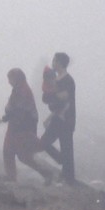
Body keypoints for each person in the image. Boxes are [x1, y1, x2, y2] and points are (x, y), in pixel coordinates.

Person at [0, 68, 54, 184]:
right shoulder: (17, 90)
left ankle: (46, 173)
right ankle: (12, 176)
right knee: (13, 152)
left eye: (10, 79)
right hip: (15, 126)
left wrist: (2, 119)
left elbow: (18, 110)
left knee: (21, 154)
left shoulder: (24, 91)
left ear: (16, 79)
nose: (9, 82)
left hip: (22, 128)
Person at [38, 52, 76, 184]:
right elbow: (54, 101)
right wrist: (49, 117)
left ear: (59, 63)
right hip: (58, 118)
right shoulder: (57, 80)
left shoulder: (68, 81)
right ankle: (62, 161)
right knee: (44, 143)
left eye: (54, 60)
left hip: (66, 119)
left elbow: (63, 99)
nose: (52, 63)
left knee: (66, 148)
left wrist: (50, 96)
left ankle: (68, 179)